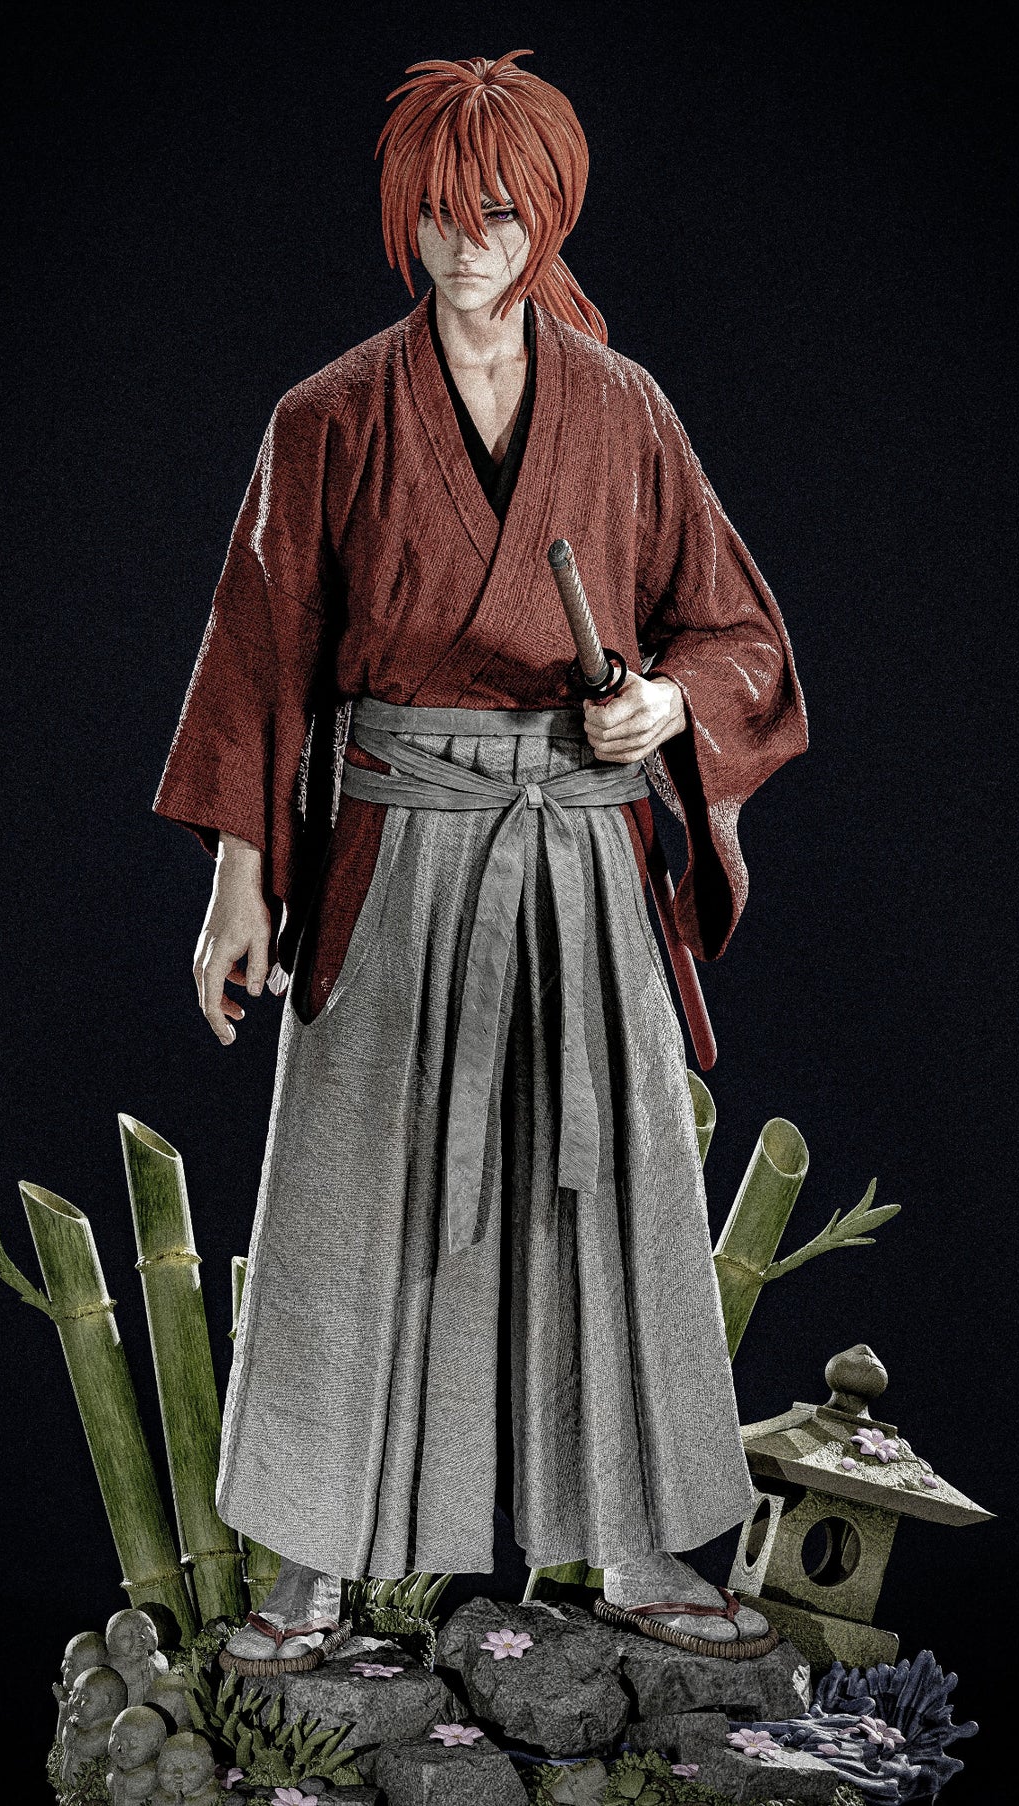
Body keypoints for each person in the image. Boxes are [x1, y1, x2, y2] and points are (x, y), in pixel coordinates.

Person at [153, 50, 807, 1667]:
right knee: (349, 1196)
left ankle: (640, 1547)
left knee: (617, 1186)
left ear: (548, 218)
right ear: (406, 219)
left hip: (577, 853)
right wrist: (236, 880)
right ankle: (311, 1563)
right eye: (441, 215)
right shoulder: (326, 417)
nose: (468, 248)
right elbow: (259, 656)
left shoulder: (625, 410)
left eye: (500, 215)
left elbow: (733, 631)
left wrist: (661, 703)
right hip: (397, 847)